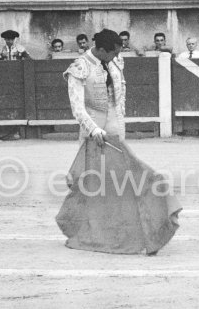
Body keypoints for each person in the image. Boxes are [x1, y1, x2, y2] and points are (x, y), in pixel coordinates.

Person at [58, 28, 181, 255]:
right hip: (92, 124)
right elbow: (77, 108)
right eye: (111, 53)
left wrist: (118, 122)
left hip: (114, 122)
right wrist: (94, 130)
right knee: (92, 181)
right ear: (101, 49)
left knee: (121, 177)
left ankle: (117, 226)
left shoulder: (115, 60)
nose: (115, 57)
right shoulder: (79, 67)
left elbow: (120, 93)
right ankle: (89, 228)